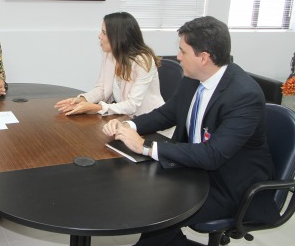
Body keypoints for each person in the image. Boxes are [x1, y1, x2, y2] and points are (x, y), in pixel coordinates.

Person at [102, 16, 279, 246]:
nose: (177, 57)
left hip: (228, 185)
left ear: (204, 57)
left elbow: (212, 155)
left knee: (155, 209)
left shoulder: (243, 95)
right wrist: (129, 125)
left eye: (183, 51)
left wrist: (144, 146)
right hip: (192, 170)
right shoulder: (193, 77)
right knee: (139, 195)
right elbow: (167, 113)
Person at [55, 12, 166, 118]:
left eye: (104, 32)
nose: (99, 36)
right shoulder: (110, 54)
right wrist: (82, 100)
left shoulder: (143, 61)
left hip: (150, 121)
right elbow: (102, 89)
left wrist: (96, 107)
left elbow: (132, 105)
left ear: (118, 37)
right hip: (124, 118)